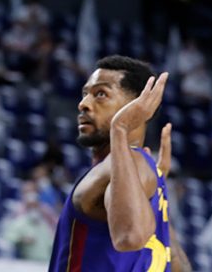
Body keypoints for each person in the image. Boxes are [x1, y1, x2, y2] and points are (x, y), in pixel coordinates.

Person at [47, 56, 191, 271]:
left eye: (101, 94)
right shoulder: (142, 169)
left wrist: (120, 128)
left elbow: (130, 237)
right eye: (85, 94)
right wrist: (153, 193)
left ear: (139, 106)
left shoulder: (128, 161)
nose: (83, 104)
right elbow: (178, 265)